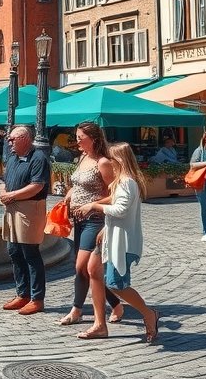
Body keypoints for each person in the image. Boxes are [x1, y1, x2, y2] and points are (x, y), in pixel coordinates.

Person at [76, 142, 160, 343]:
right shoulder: (120, 182)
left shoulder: (127, 182)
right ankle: (99, 325)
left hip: (120, 242)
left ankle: (149, 314)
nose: (107, 163)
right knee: (93, 270)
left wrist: (94, 206)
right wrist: (106, 227)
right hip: (110, 237)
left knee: (116, 284)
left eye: (111, 159)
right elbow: (119, 208)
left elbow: (121, 210)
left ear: (119, 161)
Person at [58, 122, 124, 327]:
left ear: (93, 139)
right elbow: (78, 184)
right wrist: (70, 195)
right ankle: (115, 303)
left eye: (80, 137)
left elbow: (115, 195)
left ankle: (76, 310)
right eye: (76, 136)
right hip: (78, 220)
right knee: (87, 269)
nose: (76, 140)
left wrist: (91, 204)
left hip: (95, 219)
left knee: (81, 266)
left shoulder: (103, 162)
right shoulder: (82, 158)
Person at [0, 126, 48, 316]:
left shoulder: (38, 158)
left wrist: (12, 195)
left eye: (13, 139)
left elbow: (37, 186)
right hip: (12, 207)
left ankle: (37, 298)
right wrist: (4, 193)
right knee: (14, 251)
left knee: (30, 253)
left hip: (29, 209)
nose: (9, 142)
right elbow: (5, 180)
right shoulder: (12, 158)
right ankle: (22, 294)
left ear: (25, 139)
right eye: (9, 139)